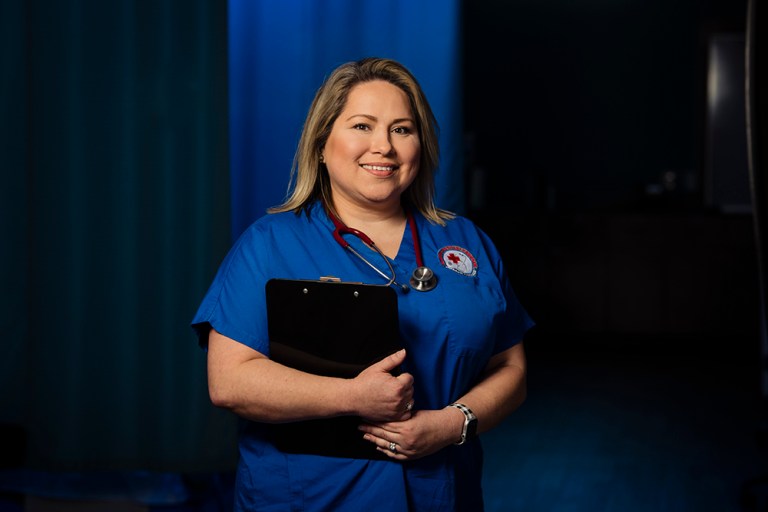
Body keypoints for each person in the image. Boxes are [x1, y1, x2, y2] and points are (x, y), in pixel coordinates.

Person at [192, 57, 533, 511]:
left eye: (402, 129)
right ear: (321, 144)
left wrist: (452, 424)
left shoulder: (467, 243)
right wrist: (352, 396)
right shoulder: (269, 245)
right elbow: (229, 382)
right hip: (310, 497)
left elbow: (512, 369)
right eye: (361, 126)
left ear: (421, 145)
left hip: (441, 493)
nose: (383, 147)